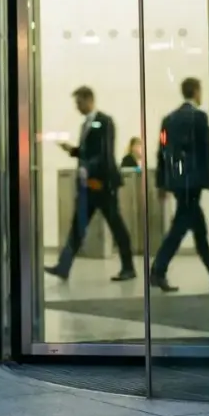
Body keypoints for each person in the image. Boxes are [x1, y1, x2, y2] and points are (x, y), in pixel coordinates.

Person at [45, 86, 135, 282]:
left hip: (103, 184)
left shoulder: (105, 122)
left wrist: (90, 170)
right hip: (89, 186)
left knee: (116, 226)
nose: (77, 107)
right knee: (78, 226)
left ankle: (128, 267)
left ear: (88, 100)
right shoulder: (85, 125)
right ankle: (63, 266)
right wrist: (72, 150)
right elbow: (88, 153)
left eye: (79, 102)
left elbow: (104, 154)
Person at [151, 77, 209, 293]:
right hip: (194, 181)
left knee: (197, 227)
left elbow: (161, 152)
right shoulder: (200, 117)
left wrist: (162, 182)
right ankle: (158, 270)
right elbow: (205, 150)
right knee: (181, 228)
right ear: (196, 92)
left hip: (177, 182)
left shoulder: (168, 120)